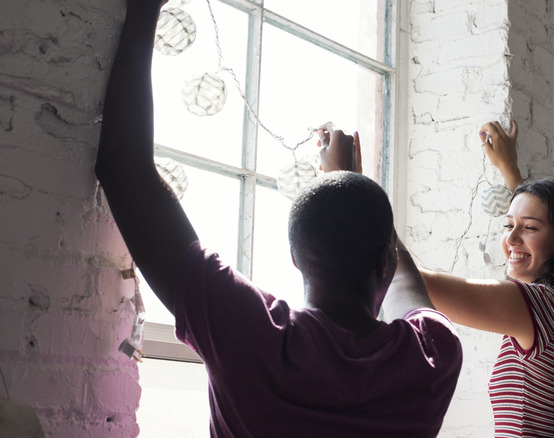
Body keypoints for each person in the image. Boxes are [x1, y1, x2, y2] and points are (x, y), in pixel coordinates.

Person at [94, 1, 462, 437]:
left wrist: (144, 10)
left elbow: (123, 169)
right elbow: (406, 288)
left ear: (295, 256)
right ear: (383, 260)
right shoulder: (432, 356)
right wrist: (351, 185)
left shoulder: (251, 332)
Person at [420, 120, 554, 437]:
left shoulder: (543, 308)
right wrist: (511, 170)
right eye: (508, 225)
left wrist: (351, 195)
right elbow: (540, 219)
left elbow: (423, 284)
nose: (510, 239)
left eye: (529, 228)